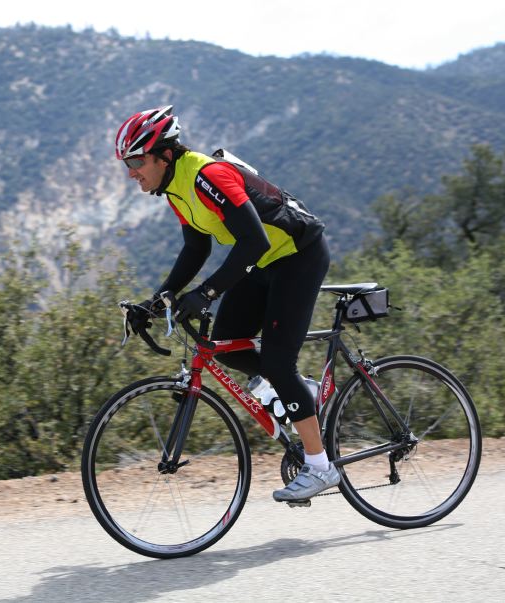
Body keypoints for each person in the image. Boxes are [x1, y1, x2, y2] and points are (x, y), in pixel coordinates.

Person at [115, 105, 339, 503]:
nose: (132, 171)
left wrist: (208, 292)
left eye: (136, 160)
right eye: (127, 163)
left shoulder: (206, 177)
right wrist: (159, 299)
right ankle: (303, 391)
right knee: (228, 344)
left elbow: (255, 241)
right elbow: (195, 247)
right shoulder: (173, 188)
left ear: (164, 155)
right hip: (266, 259)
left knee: (275, 362)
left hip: (297, 253)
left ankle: (320, 466)